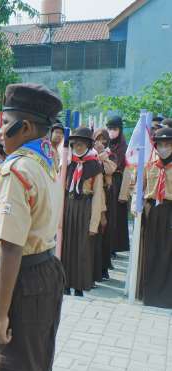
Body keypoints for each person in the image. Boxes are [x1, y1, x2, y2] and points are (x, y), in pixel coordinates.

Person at [0, 83, 65, 371]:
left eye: (6, 123)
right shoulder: (47, 162)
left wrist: (1, 313)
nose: (1, 130)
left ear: (27, 128)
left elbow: (12, 245)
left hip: (22, 277)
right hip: (45, 271)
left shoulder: (18, 170)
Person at [61, 127, 104, 297]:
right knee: (66, 246)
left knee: (82, 248)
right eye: (75, 144)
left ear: (88, 145)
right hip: (69, 207)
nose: (78, 147)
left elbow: (98, 195)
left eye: (82, 144)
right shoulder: (67, 163)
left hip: (85, 207)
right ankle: (64, 283)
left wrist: (95, 222)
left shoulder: (95, 166)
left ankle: (79, 285)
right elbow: (60, 189)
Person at [137, 127, 172, 308]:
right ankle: (148, 294)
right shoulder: (149, 165)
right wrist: (138, 206)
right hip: (151, 210)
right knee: (150, 251)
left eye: (168, 144)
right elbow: (137, 187)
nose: (164, 148)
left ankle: (165, 297)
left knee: (167, 252)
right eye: (160, 144)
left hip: (169, 211)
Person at [92, 129, 116, 281]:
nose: (101, 142)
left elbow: (110, 170)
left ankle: (103, 267)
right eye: (98, 139)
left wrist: (103, 156)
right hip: (94, 196)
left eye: (104, 139)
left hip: (106, 196)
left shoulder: (109, 155)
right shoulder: (89, 156)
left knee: (105, 232)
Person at [107, 116, 130, 255]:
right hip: (107, 181)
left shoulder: (124, 148)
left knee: (117, 216)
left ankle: (114, 247)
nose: (111, 132)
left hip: (119, 182)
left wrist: (124, 192)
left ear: (120, 130)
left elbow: (127, 169)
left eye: (114, 129)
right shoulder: (105, 144)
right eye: (109, 128)